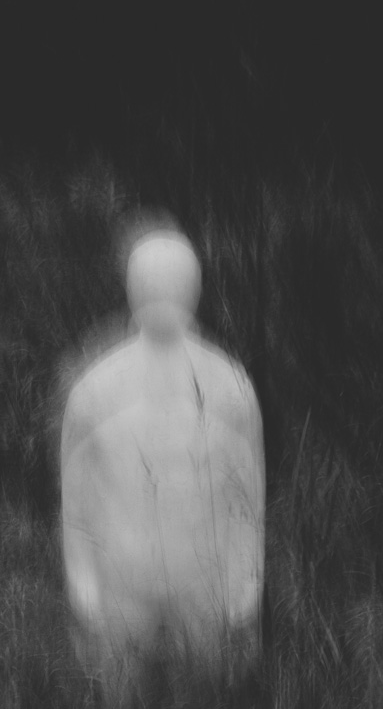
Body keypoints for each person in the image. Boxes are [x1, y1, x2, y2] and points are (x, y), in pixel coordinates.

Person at [60, 224, 265, 680]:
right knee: (117, 700)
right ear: (132, 287)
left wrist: (247, 584)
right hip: (122, 581)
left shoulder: (230, 388)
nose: (162, 291)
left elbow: (248, 500)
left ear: (194, 288)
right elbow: (76, 502)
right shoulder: (96, 389)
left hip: (204, 584)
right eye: (151, 281)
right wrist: (83, 583)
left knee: (210, 699)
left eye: (173, 281)